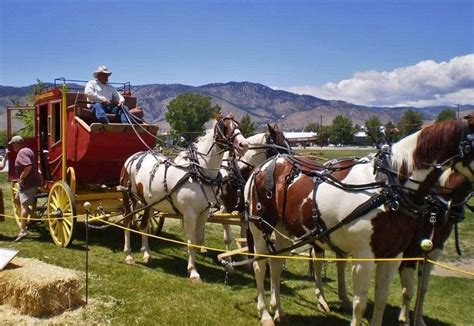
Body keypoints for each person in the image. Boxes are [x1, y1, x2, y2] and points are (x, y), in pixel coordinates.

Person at [9, 135, 42, 241]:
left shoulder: (22, 152)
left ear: (17, 144)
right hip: (26, 184)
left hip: (29, 183)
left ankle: (23, 231)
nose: (12, 146)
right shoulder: (27, 150)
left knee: (23, 205)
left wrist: (22, 177)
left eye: (13, 144)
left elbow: (28, 166)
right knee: (17, 199)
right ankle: (33, 217)